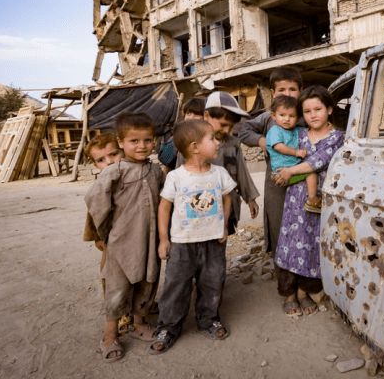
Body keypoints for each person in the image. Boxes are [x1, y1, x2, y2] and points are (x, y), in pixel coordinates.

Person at [149, 119, 237, 354]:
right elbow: (164, 207)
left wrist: (225, 226)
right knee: (176, 285)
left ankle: (208, 319)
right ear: (195, 146)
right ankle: (168, 327)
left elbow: (228, 197)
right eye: (212, 139)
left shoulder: (219, 173)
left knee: (213, 281)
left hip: (212, 241)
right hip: (182, 243)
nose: (218, 143)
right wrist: (164, 239)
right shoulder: (176, 177)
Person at [84, 113, 165, 362]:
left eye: (147, 140)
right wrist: (106, 234)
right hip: (121, 243)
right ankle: (110, 334)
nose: (142, 146)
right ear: (121, 142)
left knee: (148, 281)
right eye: (134, 141)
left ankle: (139, 323)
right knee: (117, 289)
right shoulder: (113, 172)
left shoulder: (156, 171)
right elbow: (95, 203)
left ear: (155, 142)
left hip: (150, 240)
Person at [272, 86, 344, 316]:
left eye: (318, 109)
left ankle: (304, 292)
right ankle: (288, 294)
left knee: (313, 245)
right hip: (294, 199)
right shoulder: (299, 134)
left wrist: (289, 172)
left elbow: (318, 161)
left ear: (329, 109)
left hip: (320, 200)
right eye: (307, 111)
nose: (313, 115)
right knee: (290, 244)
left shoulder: (337, 137)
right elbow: (279, 150)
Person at [238, 67, 302, 256]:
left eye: (293, 89)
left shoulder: (307, 114)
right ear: (273, 93)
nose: (288, 94)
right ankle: (282, 271)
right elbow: (244, 130)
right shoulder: (268, 118)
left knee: (304, 227)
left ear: (301, 91)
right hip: (276, 184)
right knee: (278, 225)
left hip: (305, 181)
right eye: (282, 90)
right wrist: (262, 141)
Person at [203, 91, 259, 234]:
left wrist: (250, 198)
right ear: (206, 116)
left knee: (220, 246)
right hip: (200, 209)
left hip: (227, 207)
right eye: (222, 125)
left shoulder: (233, 144)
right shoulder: (191, 144)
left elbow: (241, 172)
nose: (227, 130)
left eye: (231, 126)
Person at [265, 94, 320, 213]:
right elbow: (278, 147)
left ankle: (308, 201)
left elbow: (310, 133)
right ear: (274, 116)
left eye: (291, 116)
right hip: (280, 172)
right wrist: (296, 152)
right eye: (282, 115)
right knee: (311, 173)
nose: (287, 119)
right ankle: (313, 200)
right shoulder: (275, 130)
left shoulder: (298, 131)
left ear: (298, 118)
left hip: (293, 171)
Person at [158, 97, 206, 171]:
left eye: (196, 114)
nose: (191, 118)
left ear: (205, 117)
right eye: (188, 113)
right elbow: (164, 159)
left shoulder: (209, 138)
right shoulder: (179, 135)